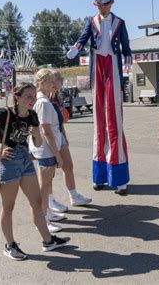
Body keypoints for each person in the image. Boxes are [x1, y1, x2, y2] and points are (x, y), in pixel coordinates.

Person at [0, 81, 69, 261]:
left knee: (37, 201)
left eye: (34, 96)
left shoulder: (32, 115)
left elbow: (39, 144)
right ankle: (10, 245)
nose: (32, 100)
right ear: (17, 97)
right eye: (28, 96)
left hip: (25, 159)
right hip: (9, 162)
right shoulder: (5, 113)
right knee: (9, 206)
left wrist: (37, 135)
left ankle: (48, 241)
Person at [66, 0, 132, 196]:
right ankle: (100, 176)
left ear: (110, 4)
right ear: (97, 5)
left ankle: (119, 178)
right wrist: (76, 48)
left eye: (105, 5)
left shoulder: (120, 23)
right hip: (97, 67)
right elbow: (83, 37)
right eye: (99, 5)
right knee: (99, 123)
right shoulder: (91, 21)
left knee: (114, 121)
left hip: (112, 65)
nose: (102, 8)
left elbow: (125, 45)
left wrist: (129, 57)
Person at [47, 70, 92, 214]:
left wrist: (64, 136)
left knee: (68, 165)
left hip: (59, 136)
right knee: (49, 172)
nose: (60, 83)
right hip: (49, 139)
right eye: (58, 80)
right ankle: (50, 199)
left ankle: (74, 195)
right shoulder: (44, 99)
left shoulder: (55, 97)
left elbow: (61, 121)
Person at [28, 69, 67, 233]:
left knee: (46, 184)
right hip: (46, 150)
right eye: (51, 81)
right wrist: (58, 155)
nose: (54, 85)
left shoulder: (43, 100)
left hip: (46, 149)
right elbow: (46, 131)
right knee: (44, 187)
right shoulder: (43, 102)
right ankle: (43, 220)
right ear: (42, 82)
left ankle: (47, 214)